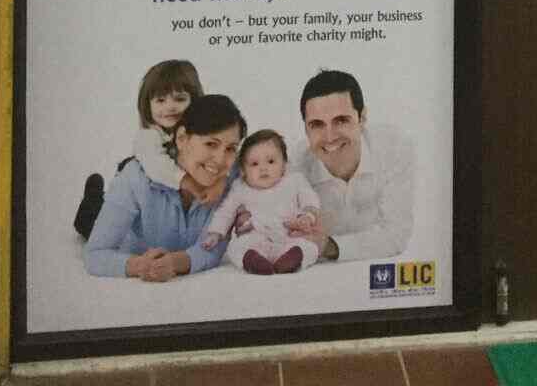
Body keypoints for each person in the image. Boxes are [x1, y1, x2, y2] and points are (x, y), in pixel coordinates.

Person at [83, 93, 246, 281]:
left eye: (230, 148)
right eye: (211, 144)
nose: (220, 159)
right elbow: (95, 254)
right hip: (119, 224)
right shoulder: (135, 176)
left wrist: (174, 263)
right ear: (182, 138)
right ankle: (92, 199)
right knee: (88, 220)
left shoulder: (233, 182)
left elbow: (210, 249)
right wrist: (139, 265)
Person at [285, 69, 416, 262]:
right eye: (317, 124)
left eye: (341, 120)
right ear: (305, 128)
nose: (330, 137)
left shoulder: (394, 148)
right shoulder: (293, 167)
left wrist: (328, 246)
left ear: (362, 118)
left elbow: (396, 235)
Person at [73, 59, 204, 239]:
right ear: (147, 105)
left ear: (195, 101)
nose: (170, 106)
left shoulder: (197, 135)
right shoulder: (148, 136)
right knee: (107, 228)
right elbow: (156, 164)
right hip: (140, 195)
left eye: (180, 99)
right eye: (160, 100)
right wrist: (184, 180)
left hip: (166, 204)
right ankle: (91, 202)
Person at [200, 129, 322, 275]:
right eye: (254, 164)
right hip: (257, 236)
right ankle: (253, 261)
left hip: (290, 235)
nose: (263, 168)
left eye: (271, 161)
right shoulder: (240, 188)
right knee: (237, 246)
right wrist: (215, 233)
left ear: (284, 163)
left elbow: (310, 197)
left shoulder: (294, 180)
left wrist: (307, 216)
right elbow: (226, 211)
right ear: (243, 170)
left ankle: (293, 259)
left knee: (309, 246)